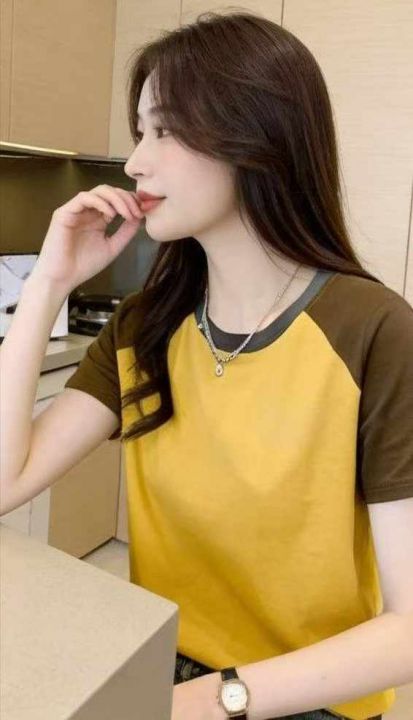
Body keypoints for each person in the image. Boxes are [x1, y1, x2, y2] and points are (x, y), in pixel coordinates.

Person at [1, 10, 412, 720]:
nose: (135, 162)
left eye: (164, 130)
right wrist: (45, 284)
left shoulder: (374, 331)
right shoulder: (145, 327)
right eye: (139, 131)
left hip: (303, 697)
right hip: (159, 661)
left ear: (255, 136)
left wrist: (204, 701)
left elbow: (408, 630)